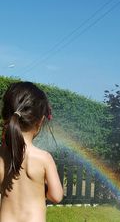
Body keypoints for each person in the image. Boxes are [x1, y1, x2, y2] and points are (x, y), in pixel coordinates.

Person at [0, 81, 63, 222]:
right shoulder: (44, 158)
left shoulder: (1, 156)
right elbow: (56, 196)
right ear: (40, 121)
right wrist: (40, 190)